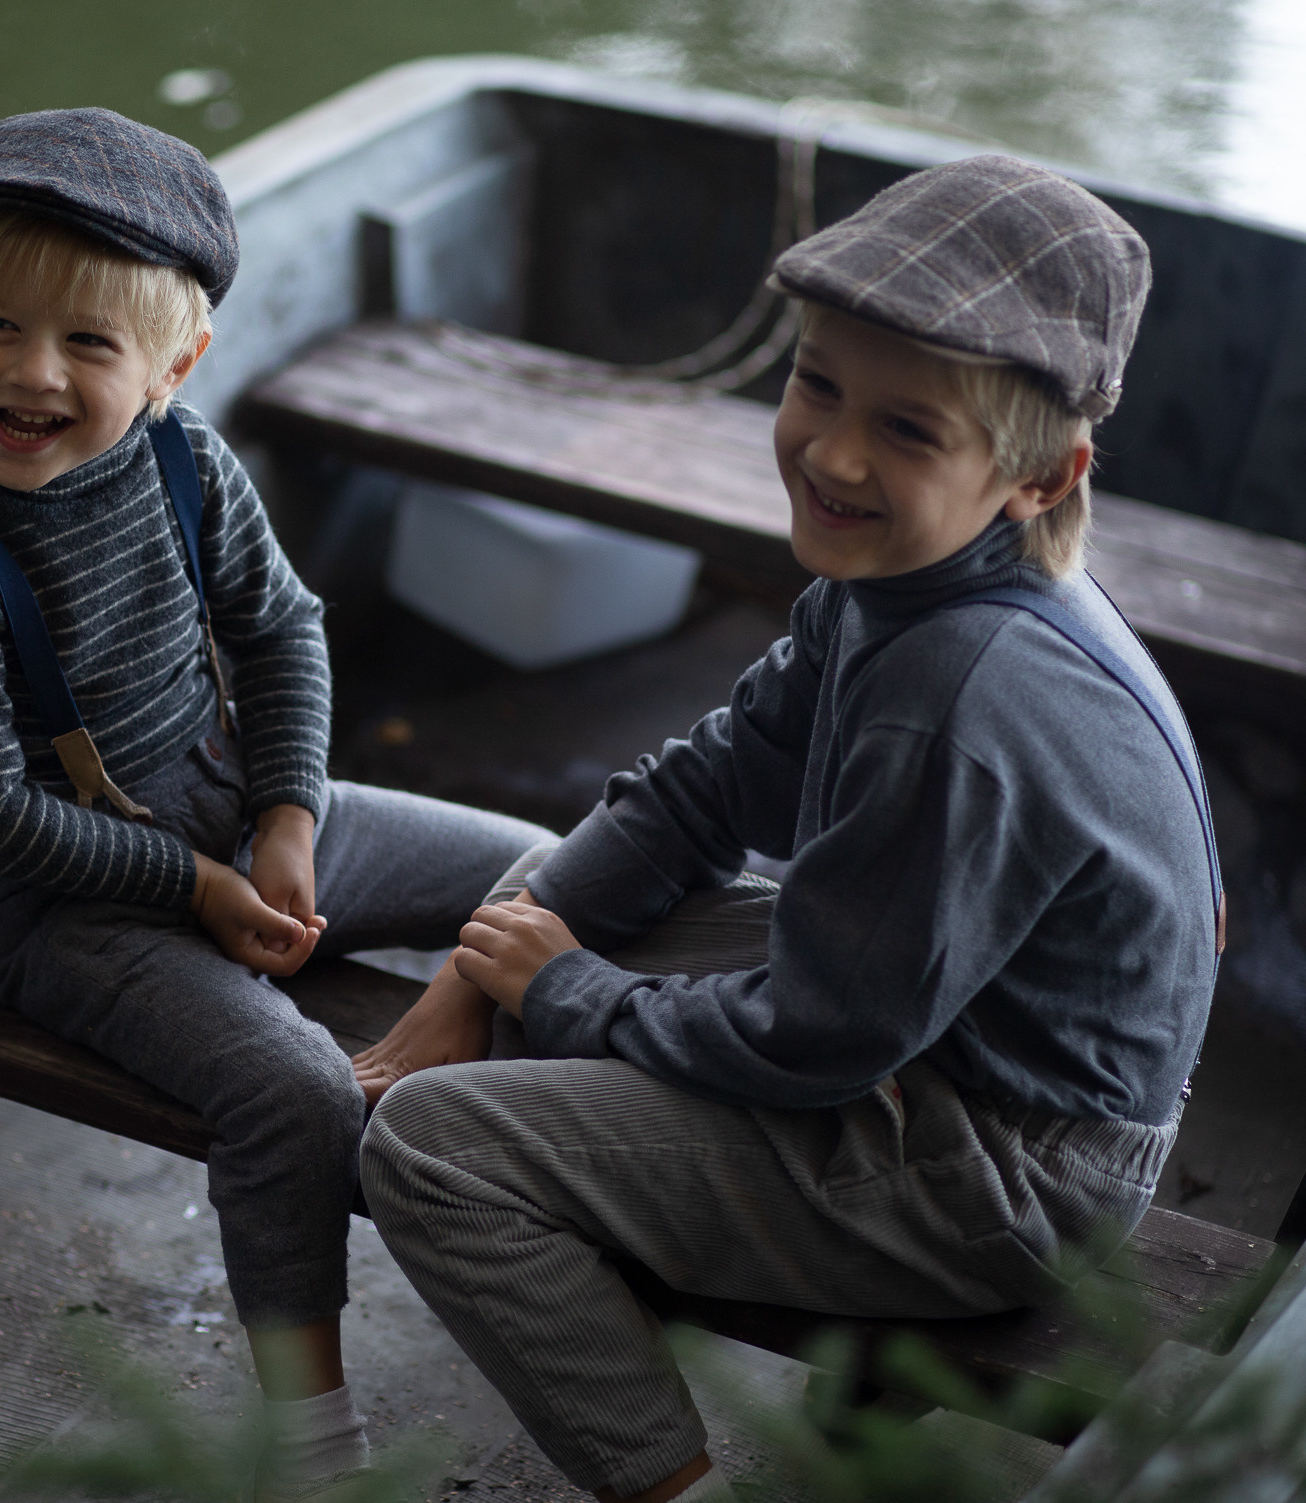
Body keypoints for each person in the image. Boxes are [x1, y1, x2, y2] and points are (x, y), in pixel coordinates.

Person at [354, 155, 1218, 1503]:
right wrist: (487, 976)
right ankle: (593, 1155)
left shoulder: (960, 697)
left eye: (910, 431)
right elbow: (710, 789)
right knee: (553, 888)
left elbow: (820, 1041)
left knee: (433, 1149)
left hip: (1006, 1163)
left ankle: (667, 1484)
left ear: (1043, 476)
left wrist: (570, 995)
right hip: (931, 1036)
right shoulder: (894, 582)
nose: (832, 453)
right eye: (818, 383)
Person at [0, 107, 550, 1500]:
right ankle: (311, 1440)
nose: (33, 375)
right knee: (295, 1092)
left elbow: (282, 627)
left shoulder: (188, 460)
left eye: (90, 346)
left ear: (176, 365)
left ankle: (527, 1138)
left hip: (239, 810)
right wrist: (194, 890)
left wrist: (287, 817)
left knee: (543, 869)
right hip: (69, 909)